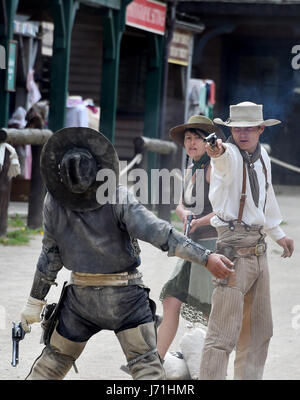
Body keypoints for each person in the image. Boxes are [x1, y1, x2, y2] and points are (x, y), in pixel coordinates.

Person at [20, 127, 234, 380]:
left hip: (80, 300)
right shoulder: (116, 196)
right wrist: (206, 257)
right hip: (126, 299)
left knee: (52, 363)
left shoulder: (53, 201)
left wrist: (35, 302)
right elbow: (160, 233)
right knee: (146, 368)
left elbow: (50, 256)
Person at [199, 101, 294, 380]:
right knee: (222, 335)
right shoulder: (227, 154)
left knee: (259, 332)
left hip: (259, 248)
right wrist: (215, 152)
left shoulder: (263, 156)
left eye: (248, 128)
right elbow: (222, 160)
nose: (242, 133)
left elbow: (266, 197)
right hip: (233, 247)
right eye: (236, 128)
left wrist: (278, 234)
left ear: (261, 129)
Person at [157, 115, 226, 360]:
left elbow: (223, 210)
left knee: (210, 310)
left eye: (197, 137)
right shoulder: (189, 169)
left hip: (212, 245)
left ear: (208, 142)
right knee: (170, 302)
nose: (192, 142)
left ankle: (211, 368)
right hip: (191, 245)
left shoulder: (213, 169)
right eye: (188, 138)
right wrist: (185, 214)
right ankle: (154, 364)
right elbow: (180, 204)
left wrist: (199, 221)